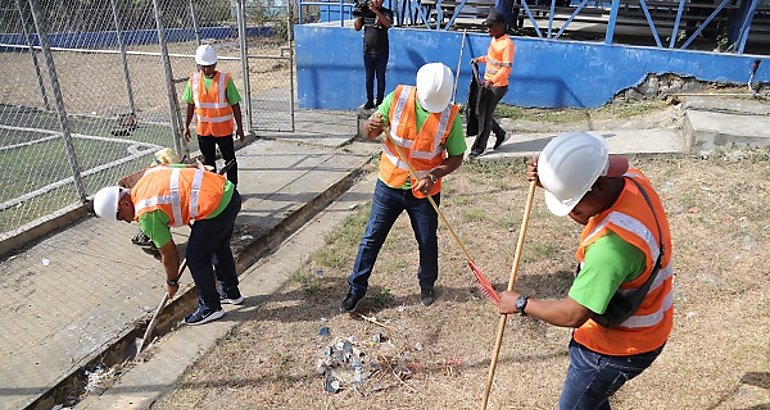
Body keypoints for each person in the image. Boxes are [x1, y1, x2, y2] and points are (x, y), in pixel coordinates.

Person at [498, 132, 674, 409]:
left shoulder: (611, 250)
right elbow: (596, 209)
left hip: (613, 350)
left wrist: (521, 303)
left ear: (600, 185)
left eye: (573, 205)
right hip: (650, 329)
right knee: (591, 403)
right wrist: (556, 181)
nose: (573, 214)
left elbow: (573, 314)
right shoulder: (634, 181)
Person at [339, 62, 467, 312]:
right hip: (389, 184)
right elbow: (369, 132)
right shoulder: (397, 98)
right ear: (418, 87)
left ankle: (427, 284)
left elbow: (456, 157)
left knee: (427, 240)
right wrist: (371, 127)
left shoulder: (451, 115)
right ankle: (356, 289)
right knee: (372, 238)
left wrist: (432, 176)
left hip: (425, 192)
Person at [92, 164, 244, 326]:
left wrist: (171, 282)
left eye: (121, 217)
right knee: (218, 246)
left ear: (124, 204)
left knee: (196, 258)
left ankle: (210, 307)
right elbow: (187, 168)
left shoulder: (146, 214)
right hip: (227, 192)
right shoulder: (148, 176)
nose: (127, 221)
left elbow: (170, 254)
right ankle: (230, 292)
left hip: (215, 206)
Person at [182, 44, 245, 186]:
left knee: (229, 160)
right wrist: (186, 126)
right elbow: (190, 105)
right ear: (198, 65)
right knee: (208, 162)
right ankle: (213, 191)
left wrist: (240, 128)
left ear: (215, 63)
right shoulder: (194, 81)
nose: (206, 69)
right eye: (203, 66)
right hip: (204, 131)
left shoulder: (225, 80)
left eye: (210, 66)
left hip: (223, 130)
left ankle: (232, 188)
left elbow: (235, 105)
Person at [469, 10, 515, 158]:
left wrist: (492, 81)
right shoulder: (495, 39)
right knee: (480, 112)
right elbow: (492, 59)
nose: (488, 30)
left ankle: (478, 148)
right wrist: (479, 59)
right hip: (487, 83)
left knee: (484, 116)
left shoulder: (507, 44)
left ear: (500, 26)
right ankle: (500, 133)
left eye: (491, 27)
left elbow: (506, 68)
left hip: (497, 86)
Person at [353, 0, 392, 109]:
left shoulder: (386, 12)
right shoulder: (366, 12)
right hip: (368, 51)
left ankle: (380, 101)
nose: (376, 1)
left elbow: (388, 24)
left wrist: (376, 11)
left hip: (382, 51)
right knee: (369, 78)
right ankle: (369, 100)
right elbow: (357, 28)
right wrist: (360, 14)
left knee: (380, 77)